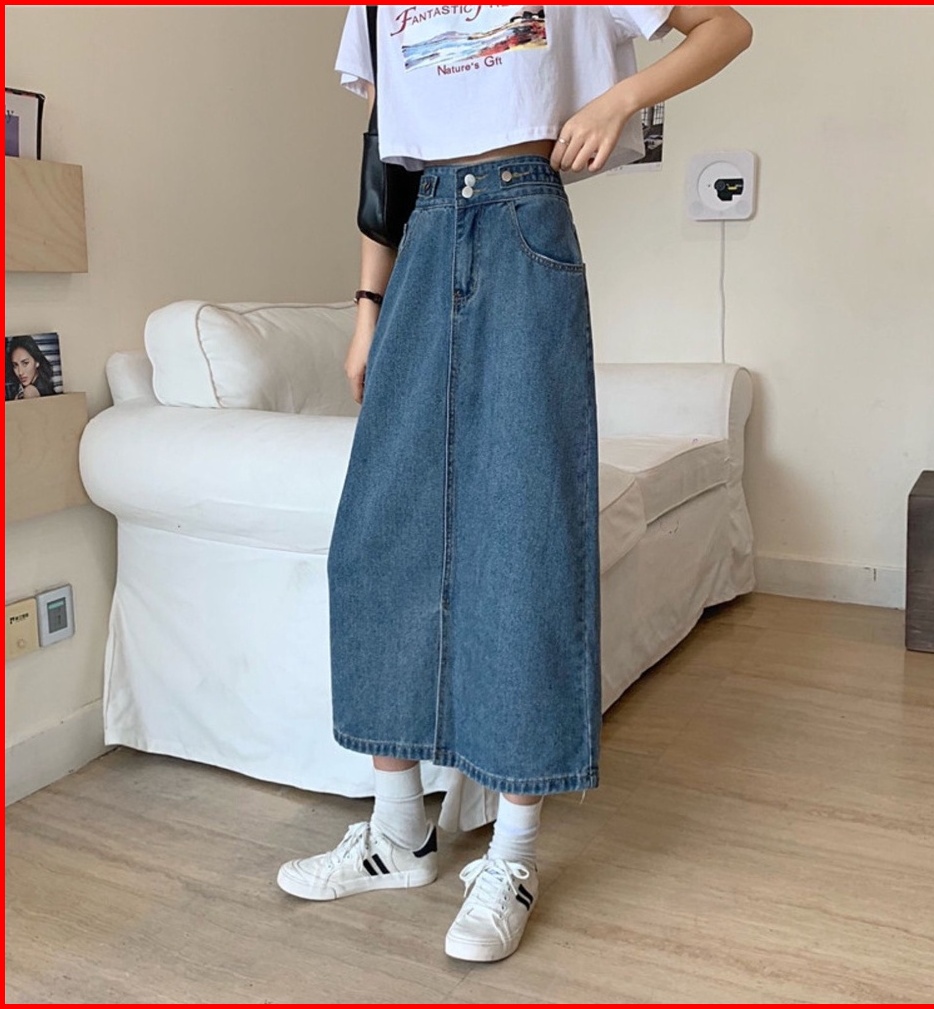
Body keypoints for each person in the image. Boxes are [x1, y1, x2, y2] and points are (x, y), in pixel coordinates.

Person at [277, 4, 752, 963]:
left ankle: (513, 854)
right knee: (376, 541)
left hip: (524, 220)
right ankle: (398, 831)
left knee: (526, 535)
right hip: (419, 241)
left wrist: (619, 98)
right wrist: (366, 307)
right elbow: (382, 154)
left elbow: (724, 28)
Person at [6, 335, 57, 400]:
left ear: (37, 361)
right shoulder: (45, 385)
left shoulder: (29, 391)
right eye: (15, 365)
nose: (20, 372)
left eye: (25, 363)